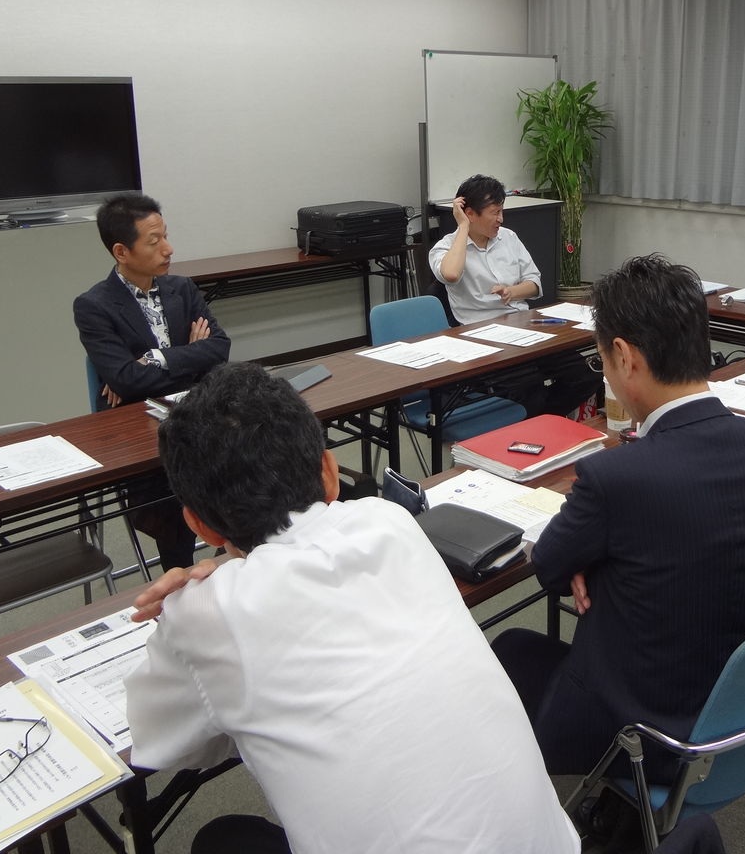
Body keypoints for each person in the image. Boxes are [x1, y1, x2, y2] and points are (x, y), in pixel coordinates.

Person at [123, 363, 579, 854]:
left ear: (198, 525)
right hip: (551, 845)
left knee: (222, 839)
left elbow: (163, 743)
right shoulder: (389, 520)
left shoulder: (209, 613)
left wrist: (190, 604)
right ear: (329, 471)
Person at [492, 254, 745, 778]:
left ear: (624, 357)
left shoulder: (615, 477)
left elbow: (549, 567)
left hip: (639, 730)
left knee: (510, 648)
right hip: (735, 699)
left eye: (602, 363)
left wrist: (588, 556)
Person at [73, 193, 230, 569]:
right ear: (121, 252)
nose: (168, 249)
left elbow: (219, 348)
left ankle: (233, 555)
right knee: (176, 495)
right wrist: (189, 357)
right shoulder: (94, 306)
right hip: (144, 434)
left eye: (166, 236)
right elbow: (127, 380)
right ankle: (180, 575)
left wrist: (156, 358)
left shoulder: (182, 288)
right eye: (154, 241)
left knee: (253, 455)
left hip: (199, 416)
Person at [428, 173, 599, 417]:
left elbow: (534, 283)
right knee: (529, 390)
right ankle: (536, 424)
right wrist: (463, 228)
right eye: (495, 212)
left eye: (502, 211)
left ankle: (543, 421)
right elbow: (451, 274)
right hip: (482, 336)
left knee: (585, 374)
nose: (501, 219)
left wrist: (512, 291)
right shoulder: (446, 247)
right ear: (470, 213)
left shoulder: (508, 238)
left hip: (523, 326)